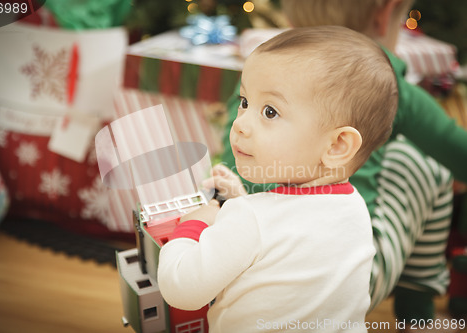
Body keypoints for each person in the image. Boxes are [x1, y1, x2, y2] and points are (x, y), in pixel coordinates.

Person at [218, 0, 462, 327]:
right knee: (424, 163)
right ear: (385, 13)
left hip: (237, 258)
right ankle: (415, 313)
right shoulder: (383, 81)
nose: (241, 123)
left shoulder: (268, 69)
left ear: (290, 14)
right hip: (342, 279)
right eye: (247, 105)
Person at [158, 26, 398, 332]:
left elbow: (182, 289)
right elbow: (281, 242)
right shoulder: (353, 210)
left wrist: (193, 224)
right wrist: (240, 202)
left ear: (337, 146)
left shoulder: (250, 220)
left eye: (270, 112)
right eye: (245, 102)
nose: (241, 123)